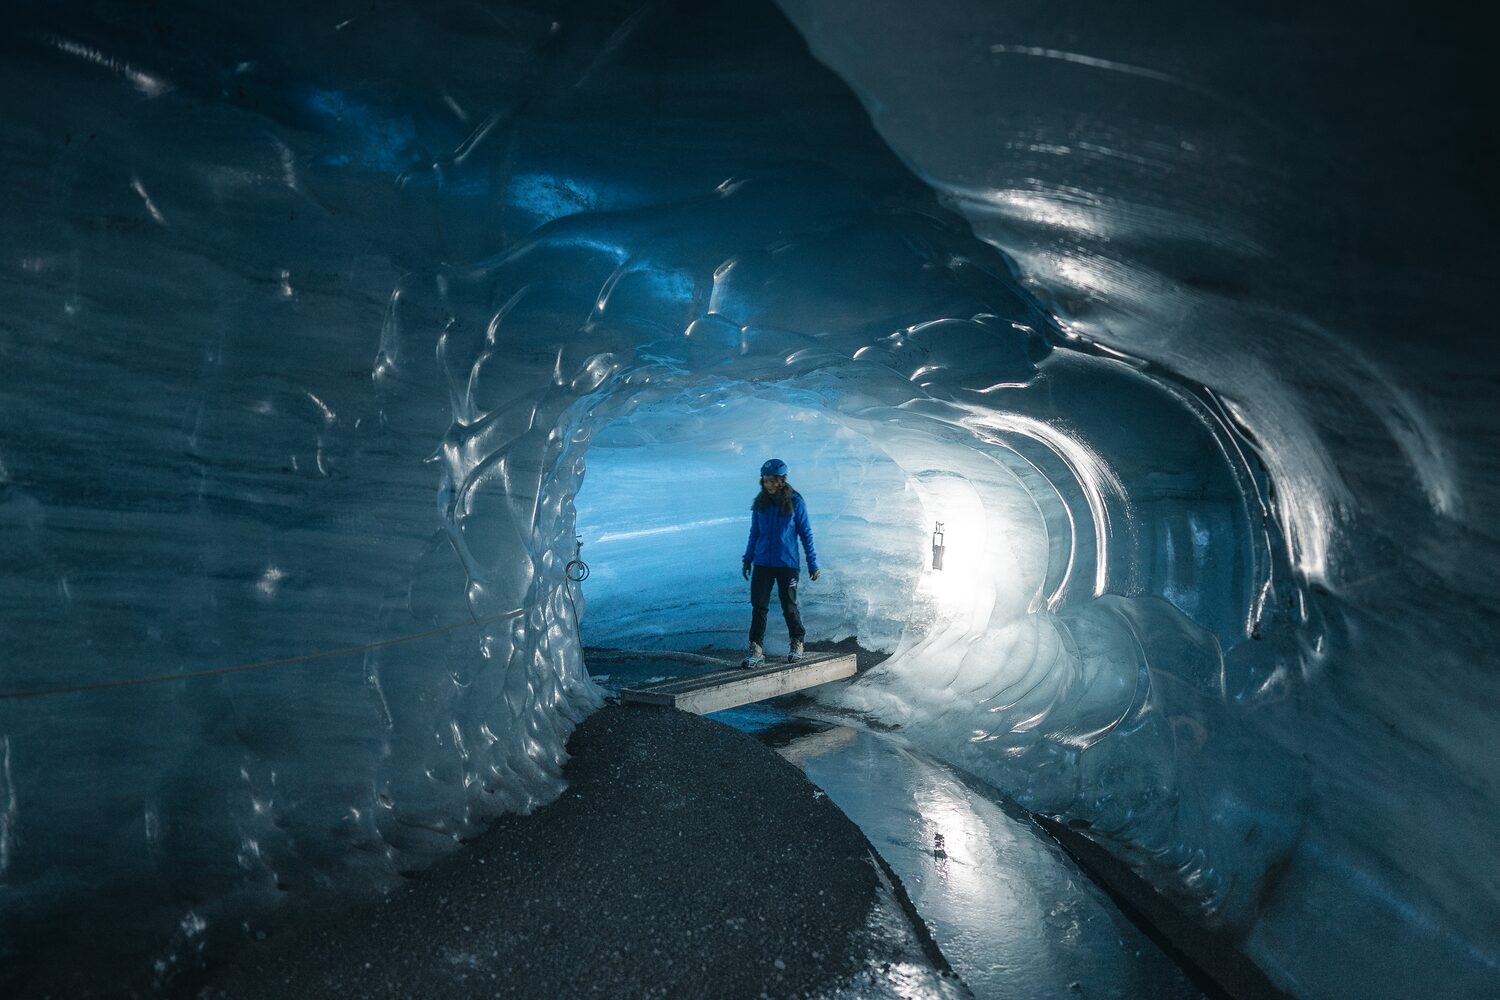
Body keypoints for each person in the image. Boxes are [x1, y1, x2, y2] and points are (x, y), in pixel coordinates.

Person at [740, 458, 820, 668]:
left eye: (771, 480)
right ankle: (756, 648)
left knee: (789, 605)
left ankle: (797, 642)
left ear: (781, 480)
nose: (767, 484)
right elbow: (754, 533)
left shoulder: (795, 502)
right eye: (765, 480)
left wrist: (813, 563)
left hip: (787, 564)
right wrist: (748, 559)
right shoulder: (760, 503)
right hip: (763, 563)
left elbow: (806, 534)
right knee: (759, 607)